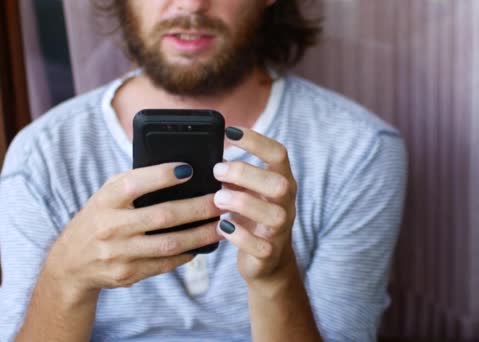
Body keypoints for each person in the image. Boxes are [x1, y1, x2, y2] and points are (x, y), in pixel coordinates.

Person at [0, 0, 406, 341]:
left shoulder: (360, 149)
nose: (191, 4)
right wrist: (65, 279)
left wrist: (275, 278)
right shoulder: (43, 155)